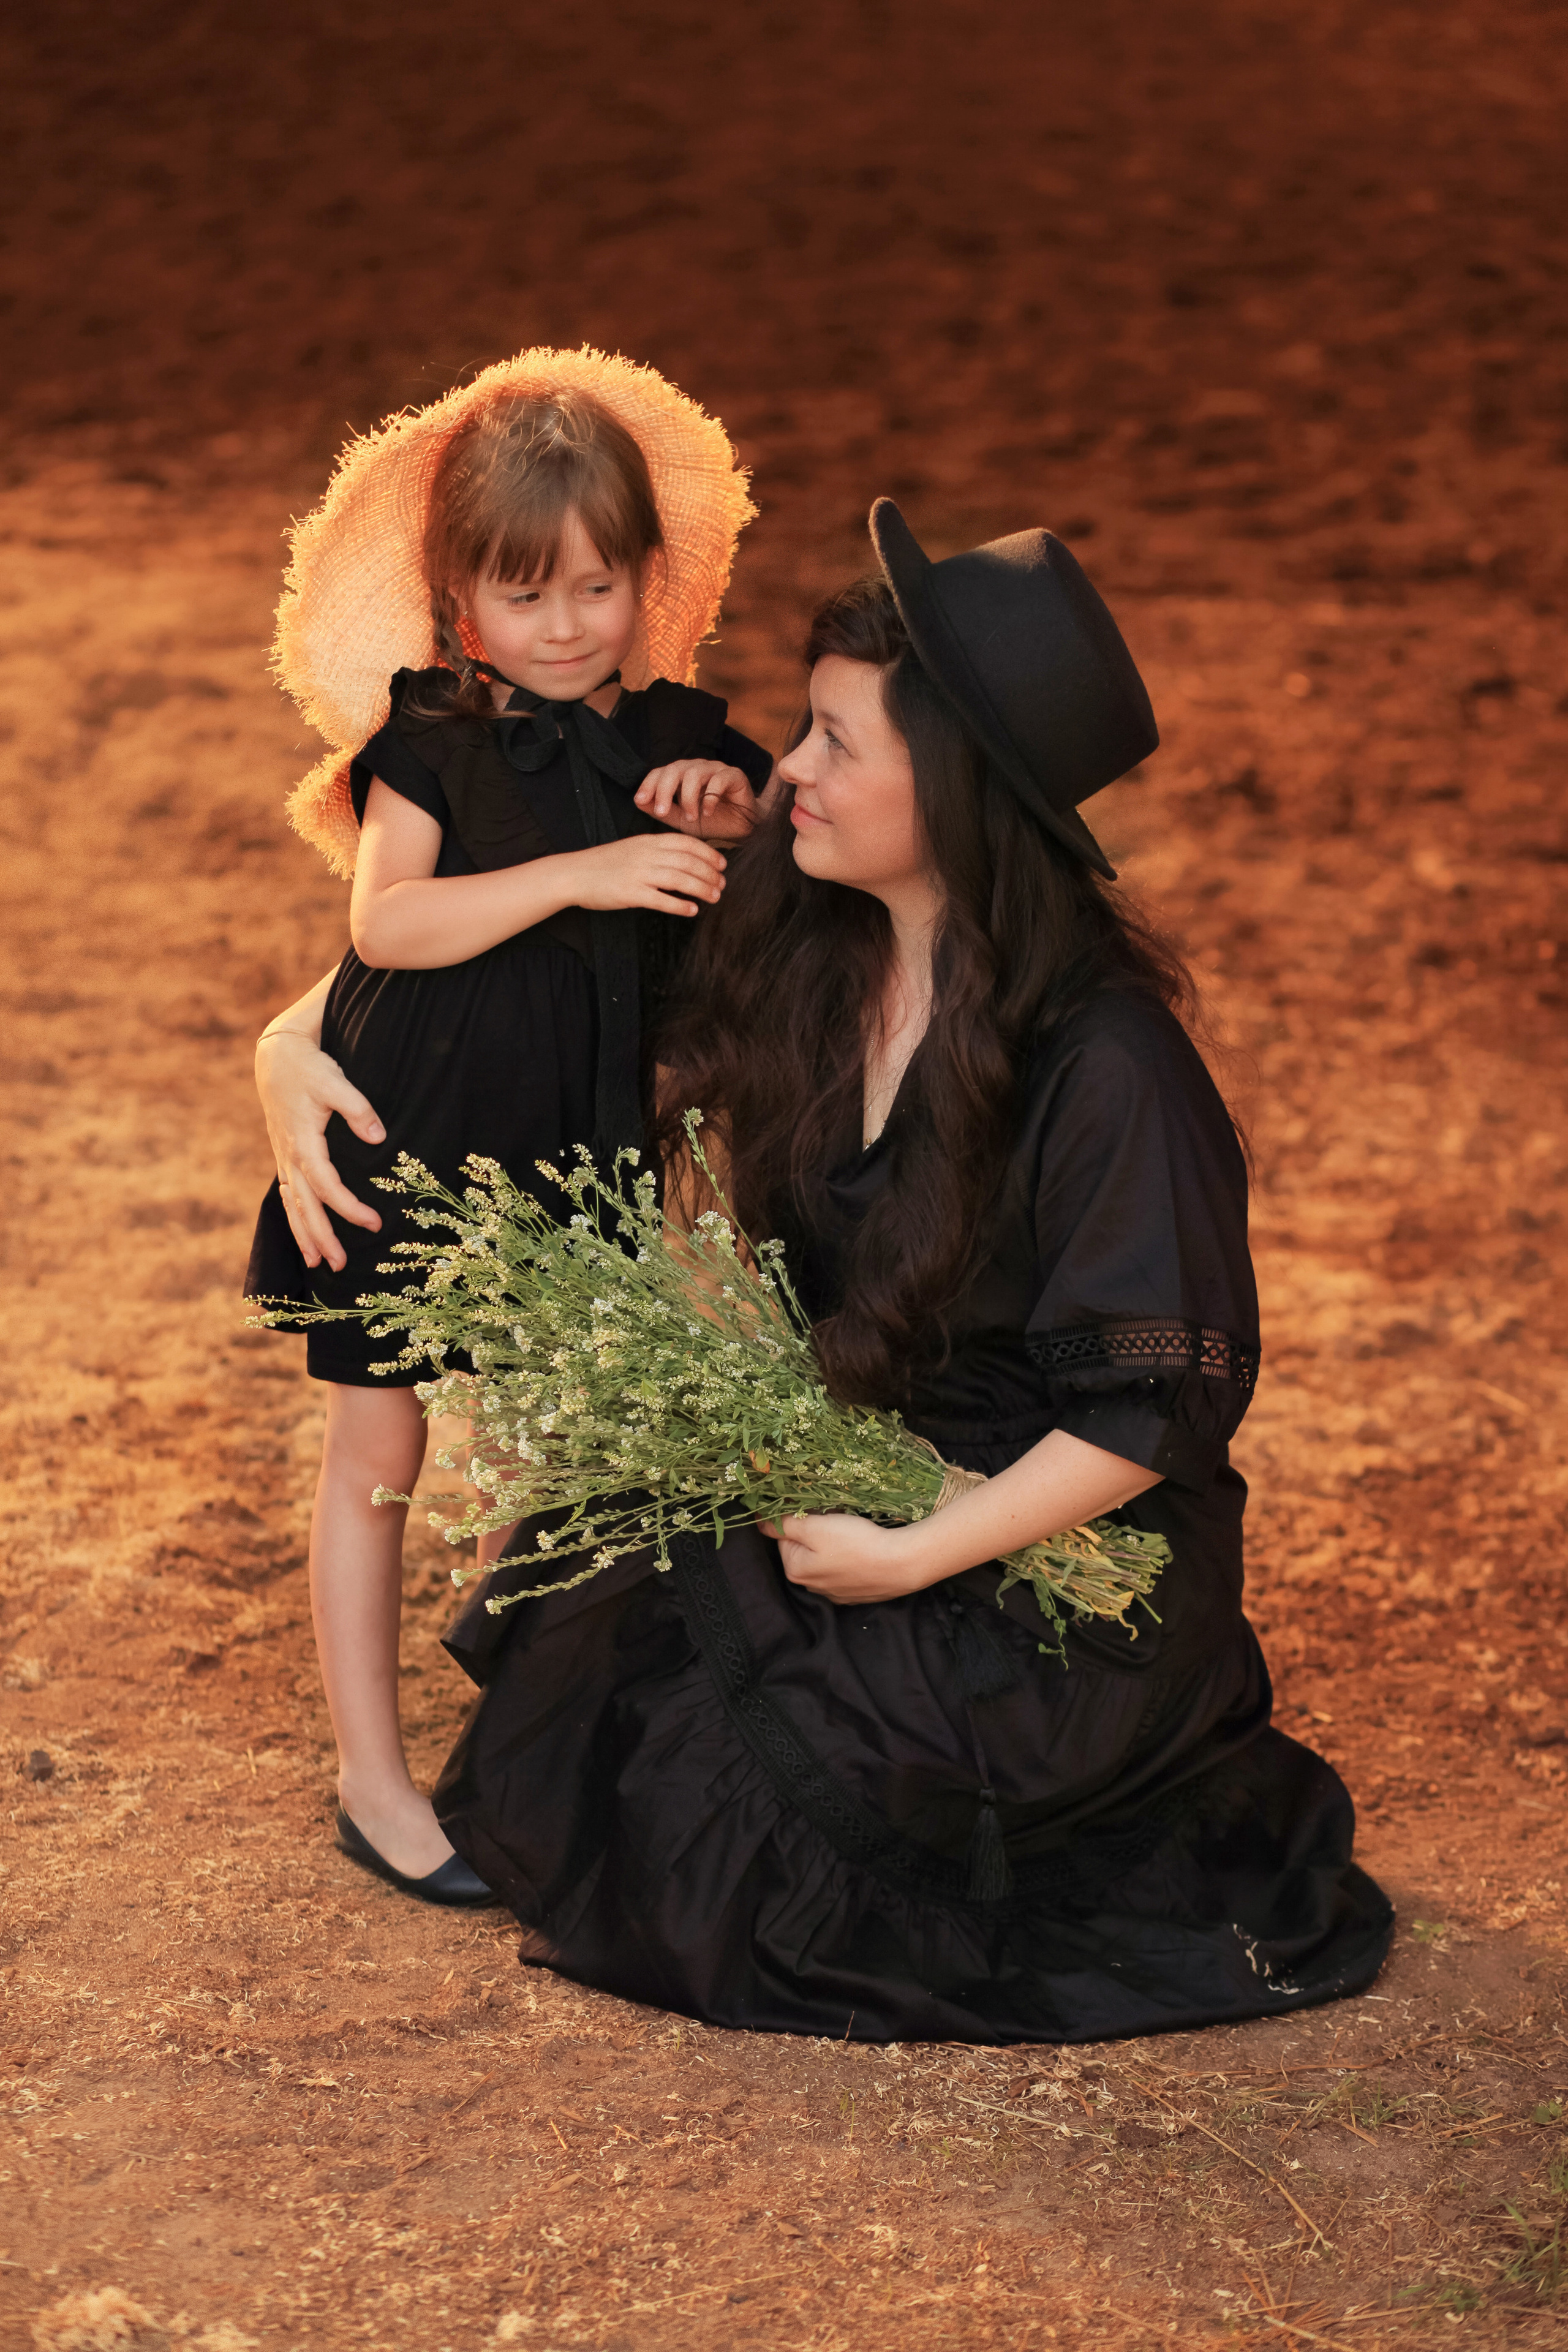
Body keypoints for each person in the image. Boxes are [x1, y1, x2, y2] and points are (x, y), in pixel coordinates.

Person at [421, 500, 1395, 2040]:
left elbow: (1150, 1419)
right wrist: (290, 1058)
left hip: (1040, 1551)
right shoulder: (810, 940)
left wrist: (917, 1551)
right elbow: (492, 1022)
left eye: (831, 743)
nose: (785, 768)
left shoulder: (1109, 1064)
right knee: (615, 1630)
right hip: (861, 1456)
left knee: (755, 1849)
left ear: (953, 792)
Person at [246, 350, 771, 1909]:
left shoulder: (680, 740)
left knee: (577, 1449)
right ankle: (373, 1779)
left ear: (644, 582)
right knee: (382, 1449)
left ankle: (546, 1735)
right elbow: (386, 923)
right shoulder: (433, 737)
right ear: (457, 593)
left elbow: (752, 906)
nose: (560, 628)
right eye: (522, 594)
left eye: (595, 589)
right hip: (411, 1137)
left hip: (580, 1159)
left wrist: (713, 815)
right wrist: (577, 875)